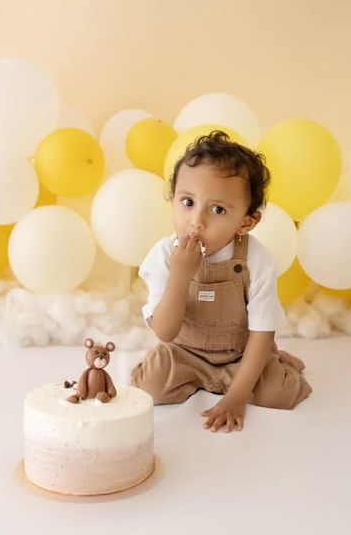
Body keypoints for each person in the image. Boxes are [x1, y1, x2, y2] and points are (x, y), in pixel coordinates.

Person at [130, 130, 312, 433]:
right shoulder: (163, 255)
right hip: (184, 353)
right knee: (148, 390)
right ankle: (204, 376)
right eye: (187, 202)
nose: (196, 220)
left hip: (241, 354)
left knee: (278, 396)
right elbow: (164, 331)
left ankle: (277, 361)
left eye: (217, 210)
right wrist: (180, 275)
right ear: (172, 199)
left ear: (246, 222)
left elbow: (261, 330)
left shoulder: (257, 259)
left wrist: (237, 396)